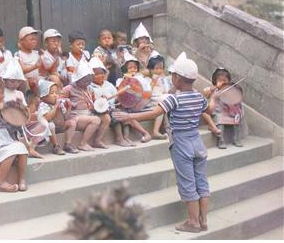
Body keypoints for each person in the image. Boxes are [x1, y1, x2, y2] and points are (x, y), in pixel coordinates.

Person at [113, 52, 213, 233]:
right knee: (202, 183)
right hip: (197, 142)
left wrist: (129, 115)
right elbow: (210, 109)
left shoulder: (174, 99)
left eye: (173, 75)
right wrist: (212, 95)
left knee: (187, 184)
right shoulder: (199, 97)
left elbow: (153, 113)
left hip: (181, 143)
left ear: (177, 79)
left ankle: (193, 223)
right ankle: (203, 220)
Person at [60, 60, 106, 152]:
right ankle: (83, 143)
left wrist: (100, 102)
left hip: (88, 114)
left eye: (89, 81)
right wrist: (69, 103)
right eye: (84, 81)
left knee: (107, 117)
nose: (87, 83)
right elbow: (59, 101)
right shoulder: (68, 88)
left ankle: (98, 140)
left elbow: (93, 101)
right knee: (96, 120)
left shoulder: (89, 88)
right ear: (78, 79)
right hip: (75, 117)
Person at [89, 57, 135, 147]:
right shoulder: (90, 87)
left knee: (125, 112)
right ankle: (119, 139)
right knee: (116, 114)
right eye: (96, 74)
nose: (100, 76)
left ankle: (126, 137)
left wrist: (119, 101)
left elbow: (116, 96)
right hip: (99, 111)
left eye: (101, 73)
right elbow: (92, 101)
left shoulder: (109, 85)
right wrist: (100, 100)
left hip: (112, 107)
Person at [203, 67, 244, 149]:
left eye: (225, 80)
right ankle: (221, 140)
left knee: (237, 119)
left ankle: (236, 138)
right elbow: (205, 92)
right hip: (218, 111)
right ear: (215, 81)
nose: (222, 82)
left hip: (228, 112)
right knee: (220, 120)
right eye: (220, 80)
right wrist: (214, 88)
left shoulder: (229, 90)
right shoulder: (214, 89)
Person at [147, 55, 169, 140]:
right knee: (164, 103)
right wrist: (153, 82)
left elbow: (166, 90)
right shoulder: (147, 79)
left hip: (161, 98)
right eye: (156, 69)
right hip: (151, 99)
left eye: (161, 68)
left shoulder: (163, 79)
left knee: (167, 101)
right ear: (150, 69)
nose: (159, 71)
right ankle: (159, 130)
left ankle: (167, 128)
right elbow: (148, 92)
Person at [15, 26, 42, 94]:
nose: (34, 41)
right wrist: (35, 66)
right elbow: (23, 69)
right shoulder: (18, 55)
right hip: (25, 81)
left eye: (35, 39)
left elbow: (41, 70)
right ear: (22, 41)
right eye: (31, 39)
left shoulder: (36, 53)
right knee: (32, 82)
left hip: (37, 79)